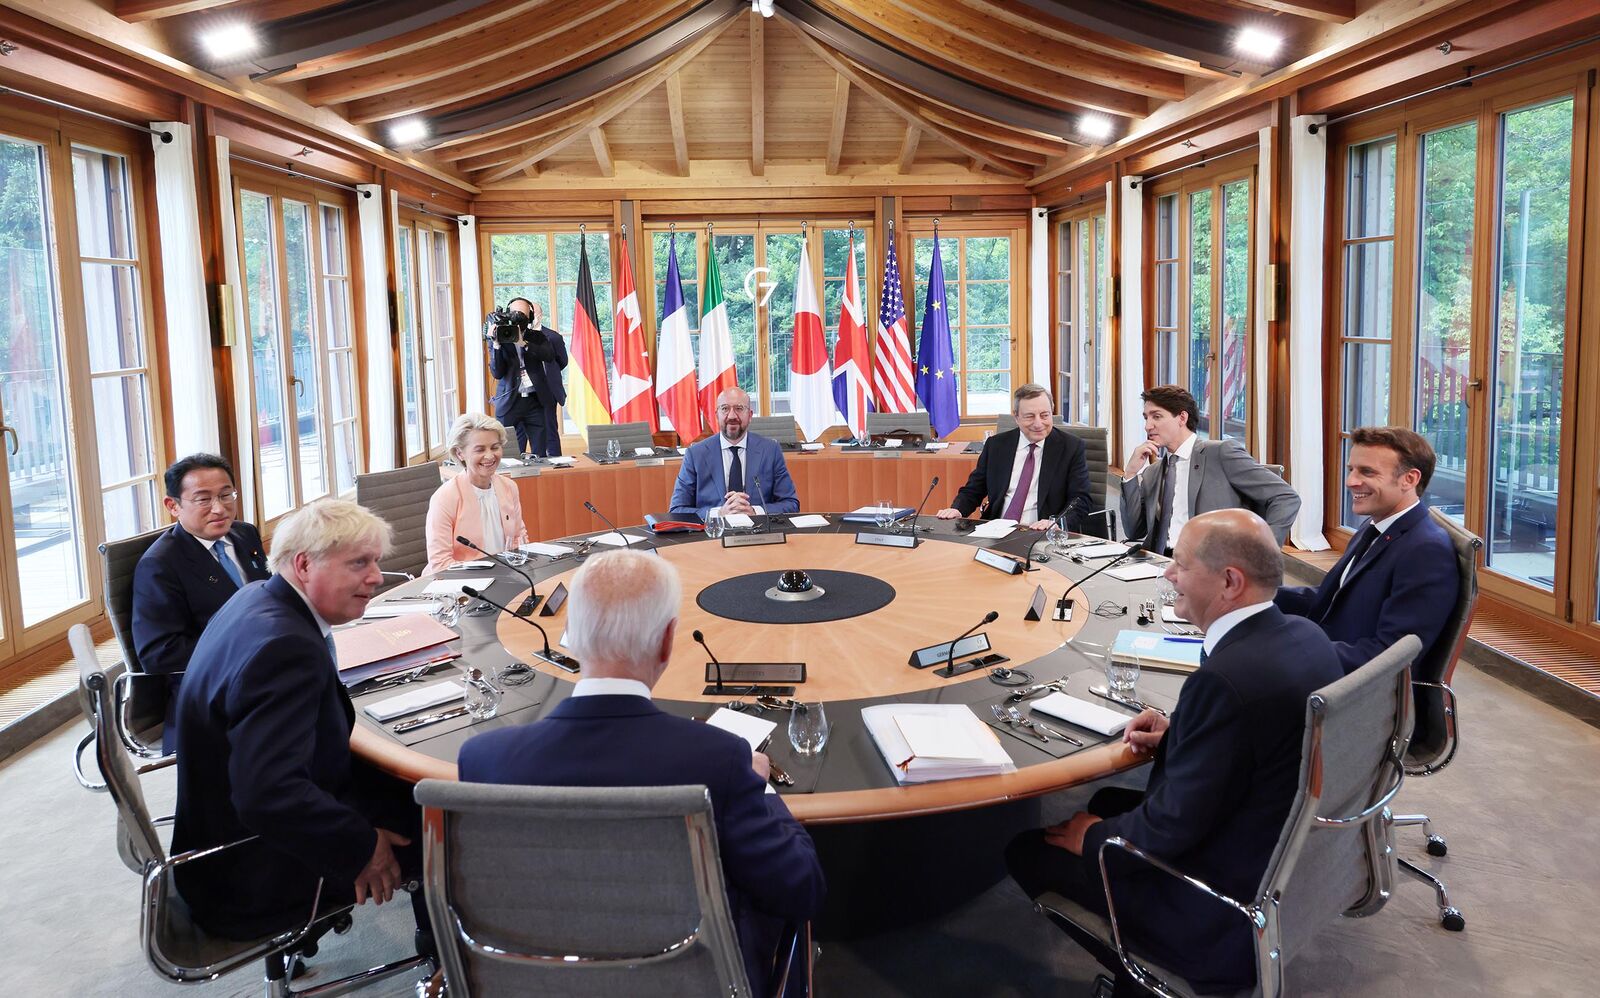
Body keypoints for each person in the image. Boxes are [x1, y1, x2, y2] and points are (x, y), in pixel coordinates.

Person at [1005, 509, 1342, 995]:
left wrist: (1093, 839)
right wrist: (1181, 735)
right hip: (1283, 865)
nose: (1167, 573)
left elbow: (1169, 827)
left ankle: (1139, 983)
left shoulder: (1226, 681)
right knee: (1106, 801)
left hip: (1219, 913)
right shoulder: (1306, 636)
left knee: (1028, 849)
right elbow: (1260, 741)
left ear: (1229, 582)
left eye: (1181, 564)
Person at [458, 550, 825, 994]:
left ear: (571, 634)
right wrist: (761, 789)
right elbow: (801, 888)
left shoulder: (483, 759)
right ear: (667, 641)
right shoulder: (719, 760)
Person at [170, 499, 432, 957]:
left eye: (375, 562)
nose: (376, 577)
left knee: (408, 787)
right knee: (448, 823)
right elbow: (268, 795)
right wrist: (364, 848)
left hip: (218, 841)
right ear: (304, 564)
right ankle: (453, 967)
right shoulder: (285, 649)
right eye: (359, 563)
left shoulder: (257, 597)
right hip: (251, 874)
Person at [1276, 425, 1458, 676]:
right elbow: (1332, 597)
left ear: (1409, 479)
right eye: (1351, 469)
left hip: (1348, 687)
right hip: (1327, 657)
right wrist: (1258, 596)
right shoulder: (1375, 526)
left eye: (1367, 472)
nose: (1350, 481)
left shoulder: (1426, 551)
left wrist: (1289, 653)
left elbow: (1390, 656)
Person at [132, 454, 270, 751]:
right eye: (203, 499)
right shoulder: (160, 564)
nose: (219, 508)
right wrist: (247, 649)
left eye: (226, 495)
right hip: (211, 688)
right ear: (173, 506)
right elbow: (158, 653)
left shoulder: (244, 534)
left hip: (267, 665)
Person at [1121, 385, 1300, 554]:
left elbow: (1286, 497)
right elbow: (1134, 530)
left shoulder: (1221, 453)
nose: (1148, 426)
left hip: (1210, 564)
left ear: (1182, 418)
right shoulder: (1153, 472)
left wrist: (1262, 551)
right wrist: (1130, 474)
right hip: (1159, 563)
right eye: (1146, 418)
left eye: (1156, 416)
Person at [936, 383, 1094, 531]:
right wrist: (957, 509)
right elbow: (974, 489)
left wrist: (1057, 523)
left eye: (1044, 415)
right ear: (1016, 417)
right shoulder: (996, 445)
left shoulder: (1071, 448)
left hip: (1041, 531)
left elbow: (1080, 500)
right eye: (1030, 416)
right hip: (996, 530)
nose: (1038, 423)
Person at [669, 386, 800, 521]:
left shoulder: (770, 450)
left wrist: (755, 511)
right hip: (714, 531)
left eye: (739, 408)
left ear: (750, 415)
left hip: (758, 529)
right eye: (725, 408)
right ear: (716, 415)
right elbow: (677, 510)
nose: (732, 416)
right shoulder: (696, 454)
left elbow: (791, 504)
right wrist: (718, 513)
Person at [424, 412, 529, 574]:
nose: (490, 456)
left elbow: (518, 539)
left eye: (495, 447)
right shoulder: (445, 498)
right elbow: (440, 564)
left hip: (506, 576)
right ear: (460, 453)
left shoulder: (509, 487)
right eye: (480, 449)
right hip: (463, 583)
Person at [488, 297, 568, 458]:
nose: (517, 318)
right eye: (514, 313)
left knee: (540, 452)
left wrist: (523, 343)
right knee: (508, 453)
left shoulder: (537, 336)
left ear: (530, 317)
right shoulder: (500, 337)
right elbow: (497, 373)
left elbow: (548, 356)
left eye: (522, 315)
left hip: (535, 401)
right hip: (510, 401)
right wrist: (496, 345)